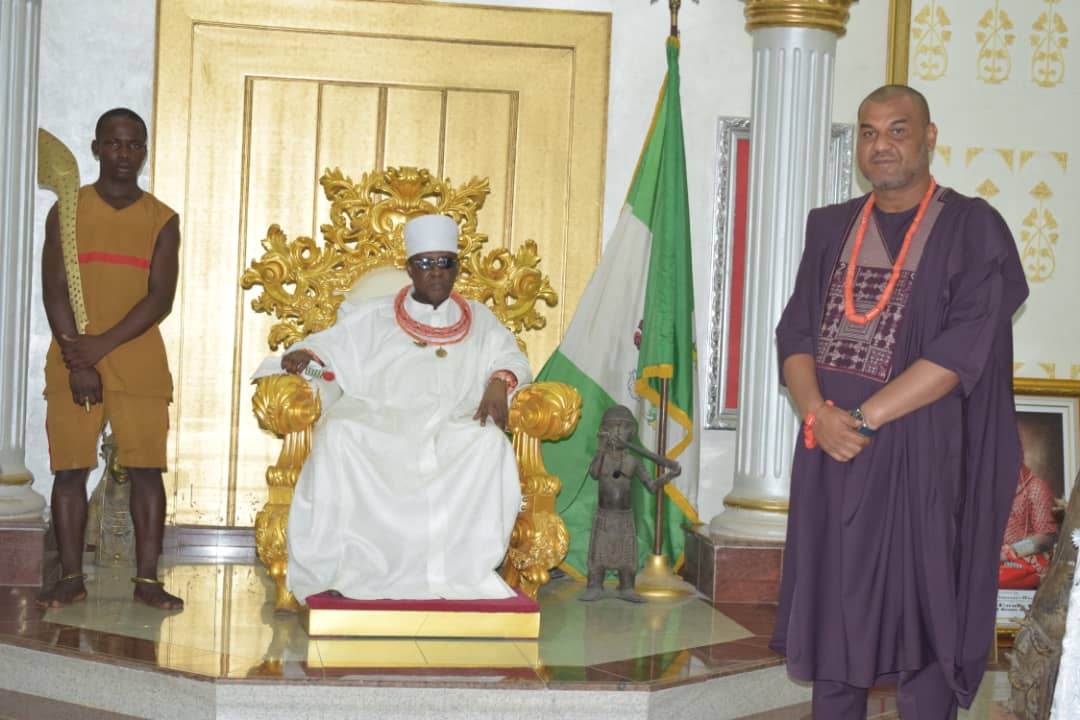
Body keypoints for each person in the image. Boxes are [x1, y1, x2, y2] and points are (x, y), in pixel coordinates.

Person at [772, 85, 1028, 719]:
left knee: (925, 626)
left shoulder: (972, 228)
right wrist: (818, 414)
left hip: (923, 462)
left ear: (929, 137)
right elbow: (796, 334)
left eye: (897, 130)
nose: (880, 145)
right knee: (833, 625)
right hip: (834, 457)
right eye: (868, 132)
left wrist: (863, 418)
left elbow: (963, 348)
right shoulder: (830, 226)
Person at [280, 213, 531, 601]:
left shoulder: (480, 319)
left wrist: (499, 382)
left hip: (453, 424)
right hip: (382, 419)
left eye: (444, 262)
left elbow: (511, 357)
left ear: (457, 268)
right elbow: (329, 351)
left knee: (490, 444)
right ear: (410, 268)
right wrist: (306, 357)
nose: (436, 272)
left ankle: (459, 571)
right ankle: (349, 568)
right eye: (426, 263)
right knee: (341, 433)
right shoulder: (373, 315)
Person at [38, 108, 183, 610]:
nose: (125, 153)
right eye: (115, 143)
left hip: (138, 360)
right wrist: (79, 359)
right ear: (96, 148)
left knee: (146, 470)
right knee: (70, 471)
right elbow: (54, 288)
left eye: (135, 145)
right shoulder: (67, 211)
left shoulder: (162, 219)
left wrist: (102, 346)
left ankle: (148, 581)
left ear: (144, 152)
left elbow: (160, 298)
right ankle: (70, 577)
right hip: (72, 355)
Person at [580, 405, 680, 603]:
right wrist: (601, 449)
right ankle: (595, 585)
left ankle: (626, 587)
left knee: (627, 559)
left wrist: (669, 476)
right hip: (604, 516)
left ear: (630, 433)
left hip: (624, 518)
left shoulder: (633, 461)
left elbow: (651, 486)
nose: (617, 433)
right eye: (612, 428)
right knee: (598, 556)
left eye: (622, 428)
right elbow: (594, 473)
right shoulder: (602, 458)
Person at [999, 462, 1058, 589]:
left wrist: (1010, 551)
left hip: (1029, 559)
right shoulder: (990, 491)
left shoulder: (1036, 487)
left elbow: (1046, 538)